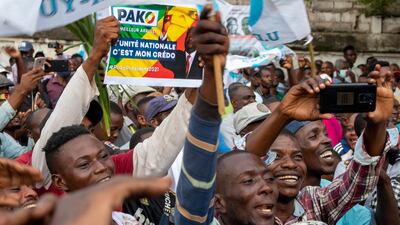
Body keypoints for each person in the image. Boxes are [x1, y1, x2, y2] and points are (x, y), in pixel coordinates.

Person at [245, 66, 393, 224]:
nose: (290, 164)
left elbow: (358, 181)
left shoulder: (312, 203)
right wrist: (283, 113)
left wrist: (378, 124)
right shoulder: (241, 210)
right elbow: (245, 163)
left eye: (297, 156)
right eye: (276, 157)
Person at [220, 83, 256, 148]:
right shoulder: (227, 123)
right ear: (234, 103)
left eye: (253, 97)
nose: (252, 101)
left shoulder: (259, 115)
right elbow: (235, 149)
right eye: (247, 98)